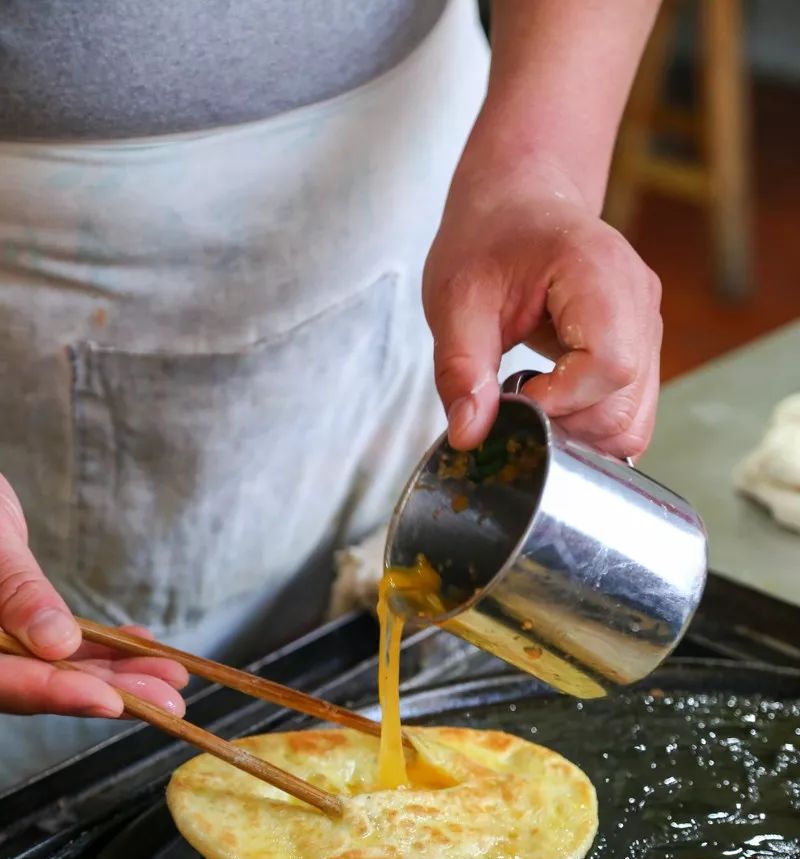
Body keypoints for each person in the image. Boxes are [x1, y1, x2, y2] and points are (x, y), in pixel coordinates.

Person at [0, 0, 663, 787]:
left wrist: (538, 178)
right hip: (46, 249)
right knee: (79, 780)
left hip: (436, 175)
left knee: (419, 620)